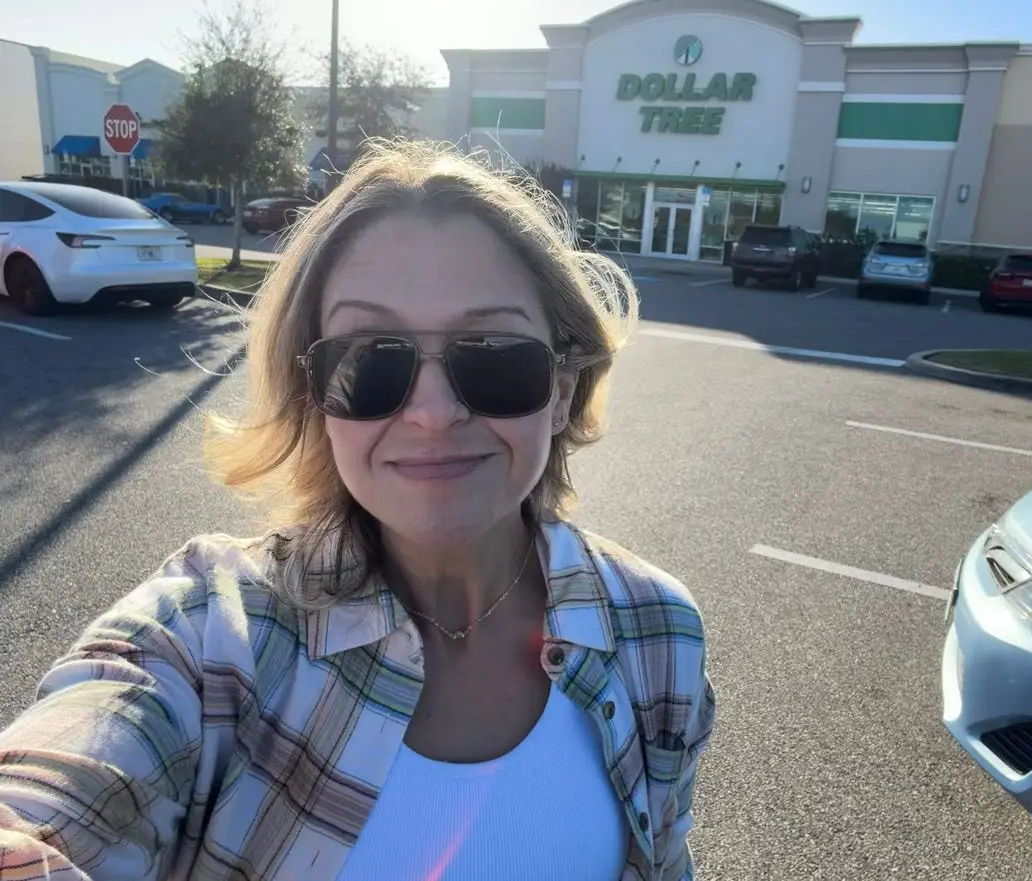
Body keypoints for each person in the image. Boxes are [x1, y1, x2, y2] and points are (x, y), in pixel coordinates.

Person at [0, 142, 716, 881]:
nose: (434, 412)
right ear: (314, 393)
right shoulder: (212, 633)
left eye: (495, 353)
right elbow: (66, 778)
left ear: (564, 387)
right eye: (371, 358)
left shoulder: (656, 628)